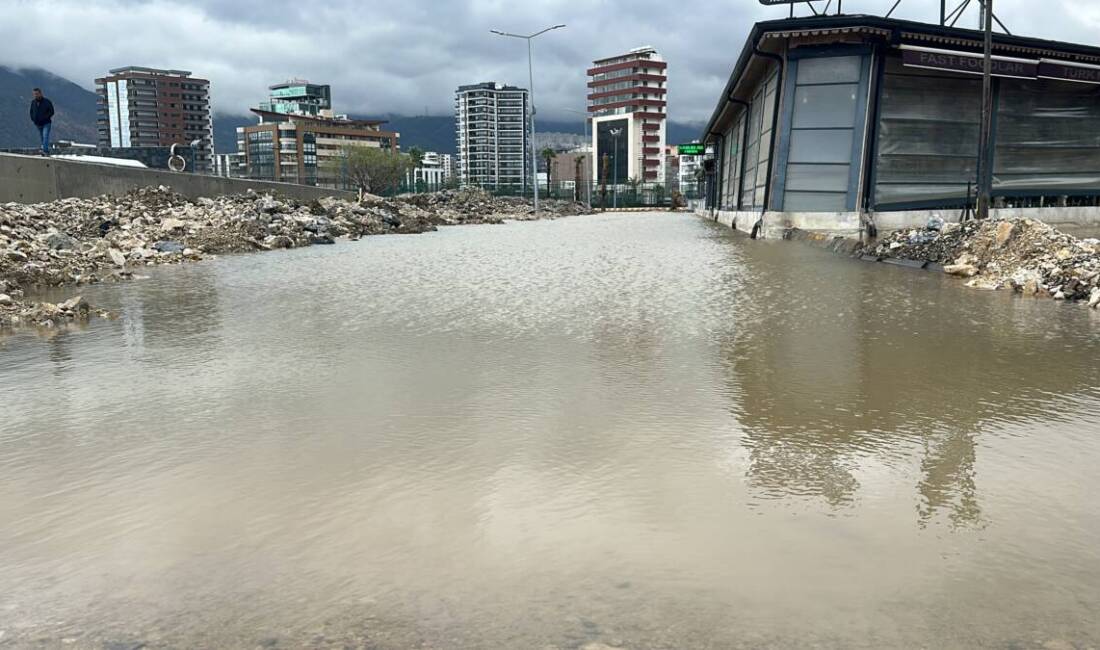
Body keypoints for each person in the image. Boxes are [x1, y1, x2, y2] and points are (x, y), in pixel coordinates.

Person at [29, 88, 55, 156]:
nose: (35, 95)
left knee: (45, 136)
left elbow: (51, 111)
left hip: (46, 123)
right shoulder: (33, 102)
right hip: (38, 124)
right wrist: (33, 119)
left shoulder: (47, 102)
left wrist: (45, 118)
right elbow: (31, 112)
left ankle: (45, 151)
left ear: (40, 93)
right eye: (34, 94)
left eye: (37, 94)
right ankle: (45, 150)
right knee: (42, 137)